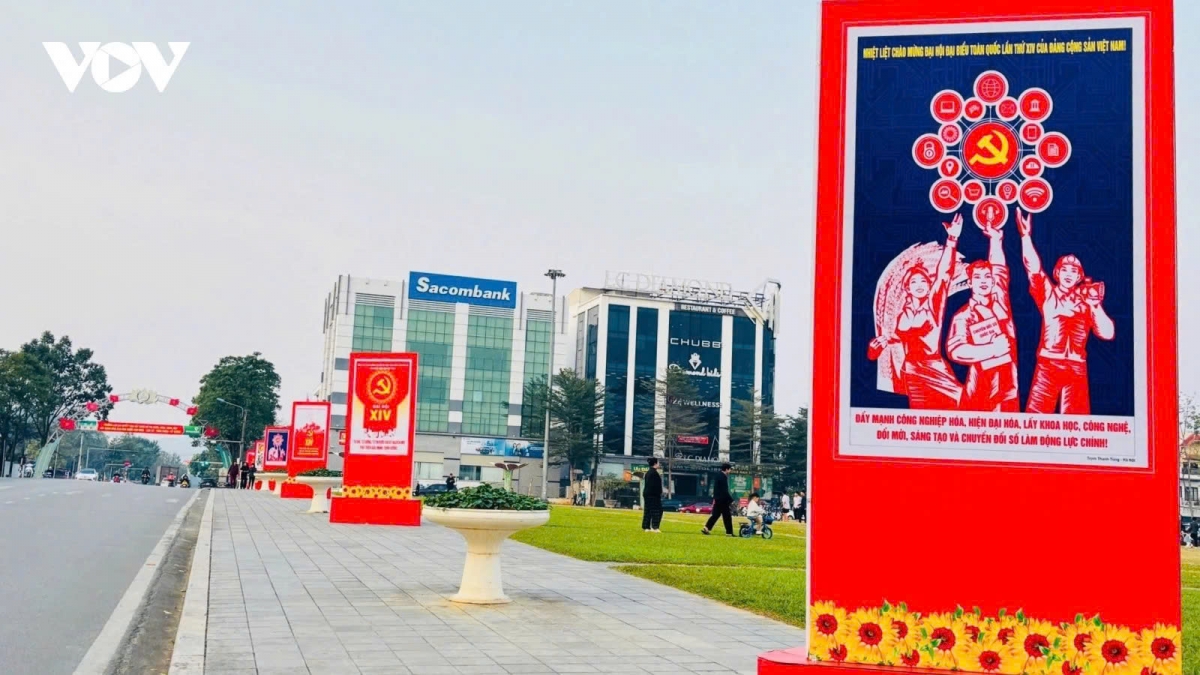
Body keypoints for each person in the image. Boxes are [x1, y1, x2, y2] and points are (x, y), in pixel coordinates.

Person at [1017, 209, 1115, 414]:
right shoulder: (1048, 294)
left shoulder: (1086, 301)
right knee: (1036, 420)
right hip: (1049, 365)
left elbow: (1107, 333)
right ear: (1057, 272)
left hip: (1076, 366)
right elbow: (1032, 268)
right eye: (1065, 269)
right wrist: (1025, 236)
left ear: (1080, 276)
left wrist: (1095, 306)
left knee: (1077, 424)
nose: (1069, 274)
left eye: (1074, 271)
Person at [867, 213, 965, 409]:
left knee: (964, 405)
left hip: (934, 368)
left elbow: (943, 274)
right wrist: (880, 343)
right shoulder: (901, 313)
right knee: (921, 415)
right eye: (914, 281)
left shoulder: (933, 304)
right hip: (911, 370)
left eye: (923, 281)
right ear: (907, 287)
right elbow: (893, 340)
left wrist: (952, 239)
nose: (919, 285)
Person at [947, 215, 1019, 411]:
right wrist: (992, 349)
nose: (984, 281)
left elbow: (999, 269)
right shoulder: (964, 315)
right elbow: (955, 350)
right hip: (981, 391)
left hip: (1008, 389)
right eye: (978, 277)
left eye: (987, 277)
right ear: (970, 283)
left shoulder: (1000, 301)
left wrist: (995, 240)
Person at [701, 463, 735, 536]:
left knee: (715, 515)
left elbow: (717, 489)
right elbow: (724, 490)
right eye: (730, 469)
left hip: (718, 499)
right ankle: (729, 532)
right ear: (726, 469)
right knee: (727, 516)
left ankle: (706, 528)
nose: (730, 471)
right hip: (723, 500)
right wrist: (731, 500)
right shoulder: (723, 477)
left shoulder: (718, 475)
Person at [641, 457, 664, 532]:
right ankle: (655, 527)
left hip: (647, 494)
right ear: (655, 464)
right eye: (658, 462)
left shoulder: (649, 472)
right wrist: (660, 493)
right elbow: (655, 485)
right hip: (653, 495)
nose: (659, 464)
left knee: (648, 510)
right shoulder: (654, 473)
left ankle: (646, 526)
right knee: (657, 510)